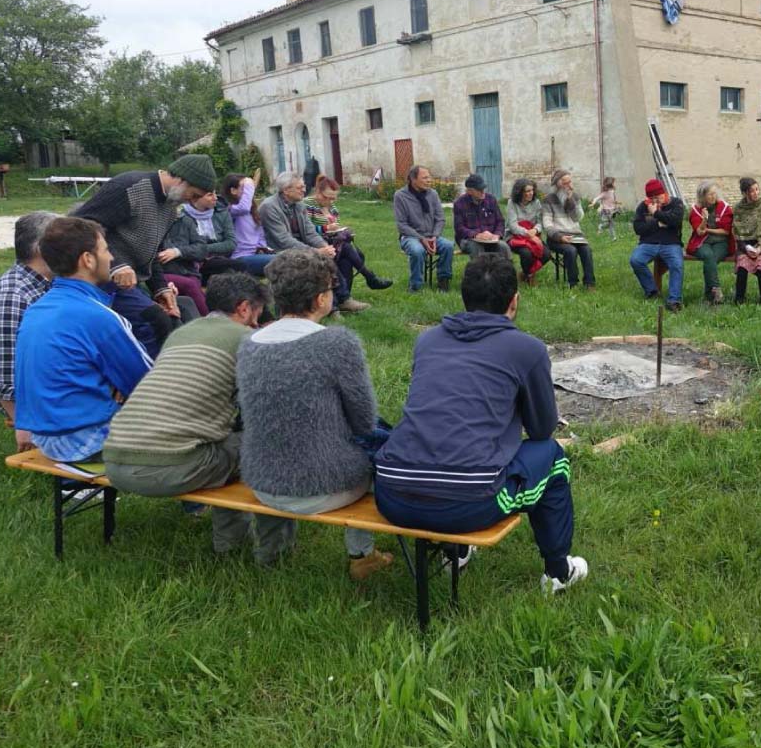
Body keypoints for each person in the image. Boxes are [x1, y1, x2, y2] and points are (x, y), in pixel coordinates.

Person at [375, 254, 587, 592]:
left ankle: (455, 552)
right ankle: (559, 573)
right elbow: (541, 430)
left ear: (464, 297)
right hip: (469, 502)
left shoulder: (427, 340)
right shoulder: (527, 349)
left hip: (392, 493)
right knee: (553, 458)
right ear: (514, 301)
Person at [235, 249, 393, 578]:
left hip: (261, 482)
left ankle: (270, 552)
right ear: (321, 298)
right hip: (324, 486)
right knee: (380, 447)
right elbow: (364, 422)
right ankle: (362, 556)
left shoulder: (249, 343)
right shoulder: (337, 343)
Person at [104, 273, 274, 554]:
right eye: (258, 313)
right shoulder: (248, 340)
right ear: (244, 308)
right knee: (257, 447)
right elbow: (262, 408)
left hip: (114, 460)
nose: (258, 321)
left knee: (224, 442)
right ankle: (234, 547)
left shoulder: (181, 333)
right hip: (167, 469)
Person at [13, 217, 153, 463]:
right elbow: (149, 384)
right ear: (88, 259)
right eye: (106, 250)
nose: (111, 258)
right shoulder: (97, 316)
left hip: (46, 436)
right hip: (86, 438)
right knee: (194, 423)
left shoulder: (38, 308)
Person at [72, 155, 216, 319]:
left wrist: (160, 288)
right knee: (154, 320)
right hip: (96, 280)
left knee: (177, 314)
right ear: (182, 180)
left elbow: (151, 254)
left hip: (131, 283)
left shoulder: (170, 208)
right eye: (194, 195)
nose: (192, 201)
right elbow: (79, 226)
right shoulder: (129, 187)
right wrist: (116, 265)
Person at [0, 211, 56, 450]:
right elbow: (2, 373)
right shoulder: (12, 295)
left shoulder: (44, 284)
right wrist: (24, 425)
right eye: (61, 241)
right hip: (37, 408)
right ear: (40, 249)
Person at [259, 171, 367, 313]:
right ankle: (335, 306)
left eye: (303, 186)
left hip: (299, 245)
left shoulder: (298, 204)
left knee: (338, 254)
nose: (304, 190)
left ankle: (343, 300)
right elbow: (283, 240)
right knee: (319, 258)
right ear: (286, 190)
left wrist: (325, 246)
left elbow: (310, 232)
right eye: (300, 187)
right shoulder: (269, 207)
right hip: (278, 250)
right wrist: (315, 251)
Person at [160, 183, 242, 317]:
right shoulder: (157, 225)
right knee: (191, 285)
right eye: (210, 194)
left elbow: (203, 248)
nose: (215, 198)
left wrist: (178, 252)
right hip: (166, 272)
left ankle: (243, 315)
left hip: (190, 269)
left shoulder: (185, 221)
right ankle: (211, 321)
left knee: (231, 274)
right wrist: (188, 252)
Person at [305, 176, 393, 294]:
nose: (330, 201)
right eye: (327, 197)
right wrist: (324, 228)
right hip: (316, 245)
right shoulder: (308, 204)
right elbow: (305, 230)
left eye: (333, 198)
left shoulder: (332, 208)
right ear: (318, 192)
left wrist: (339, 229)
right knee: (347, 249)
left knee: (346, 258)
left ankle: (346, 295)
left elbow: (335, 227)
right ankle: (369, 277)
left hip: (332, 243)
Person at [395, 164, 454, 292]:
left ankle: (443, 281)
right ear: (413, 179)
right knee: (417, 250)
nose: (429, 180)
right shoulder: (400, 196)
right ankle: (415, 286)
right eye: (425, 178)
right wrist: (421, 238)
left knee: (448, 246)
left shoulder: (433, 194)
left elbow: (440, 219)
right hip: (411, 237)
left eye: (429, 177)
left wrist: (435, 236)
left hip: (432, 236)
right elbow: (401, 225)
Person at [629, 179, 686, 311]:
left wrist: (655, 213)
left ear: (663, 193)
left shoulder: (676, 203)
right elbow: (638, 228)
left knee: (677, 265)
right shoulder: (643, 206)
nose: (655, 201)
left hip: (671, 243)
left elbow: (675, 221)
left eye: (658, 196)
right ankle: (652, 291)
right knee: (636, 260)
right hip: (648, 243)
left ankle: (674, 300)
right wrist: (657, 223)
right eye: (652, 198)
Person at [541, 169, 595, 289]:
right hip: (556, 237)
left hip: (575, 235)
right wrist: (559, 237)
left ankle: (589, 283)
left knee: (587, 250)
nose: (570, 186)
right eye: (565, 183)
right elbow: (547, 224)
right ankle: (573, 283)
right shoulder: (548, 199)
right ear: (557, 185)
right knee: (571, 250)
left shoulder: (574, 197)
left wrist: (570, 201)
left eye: (570, 182)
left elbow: (578, 218)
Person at [686, 180, 735, 304]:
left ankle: (709, 295)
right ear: (702, 196)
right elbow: (700, 232)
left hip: (721, 242)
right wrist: (704, 219)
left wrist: (708, 230)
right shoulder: (696, 210)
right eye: (710, 194)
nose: (713, 196)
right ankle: (716, 290)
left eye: (714, 193)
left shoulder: (724, 208)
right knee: (708, 256)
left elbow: (726, 231)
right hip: (702, 241)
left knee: (710, 260)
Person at [731, 177, 761, 305]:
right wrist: (746, 248)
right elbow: (737, 233)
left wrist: (759, 248)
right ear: (744, 193)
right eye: (752, 191)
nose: (756, 193)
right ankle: (739, 299)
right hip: (745, 245)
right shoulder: (739, 209)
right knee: (742, 267)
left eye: (757, 189)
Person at [224, 173, 275, 276]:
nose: (249, 191)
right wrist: (249, 184)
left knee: (289, 257)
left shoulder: (252, 212)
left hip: (257, 255)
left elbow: (260, 236)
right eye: (245, 187)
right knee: (283, 261)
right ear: (233, 191)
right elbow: (244, 208)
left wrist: (262, 249)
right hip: (240, 258)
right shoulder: (231, 210)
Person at [453, 173, 510, 258]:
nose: (483, 191)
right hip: (468, 239)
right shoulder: (459, 204)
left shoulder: (491, 199)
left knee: (503, 247)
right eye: (479, 190)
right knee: (477, 248)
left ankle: (504, 267)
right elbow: (459, 228)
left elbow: (500, 221)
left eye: (483, 188)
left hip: (491, 238)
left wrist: (497, 234)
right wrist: (476, 235)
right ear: (469, 191)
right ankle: (480, 267)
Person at [506, 177, 550, 284]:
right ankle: (530, 277)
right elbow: (512, 225)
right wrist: (527, 233)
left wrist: (535, 230)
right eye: (527, 191)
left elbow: (540, 222)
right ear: (520, 192)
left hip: (533, 235)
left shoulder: (536, 203)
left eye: (532, 190)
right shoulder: (512, 203)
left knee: (546, 254)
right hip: (515, 237)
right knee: (526, 253)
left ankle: (525, 274)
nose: (531, 193)